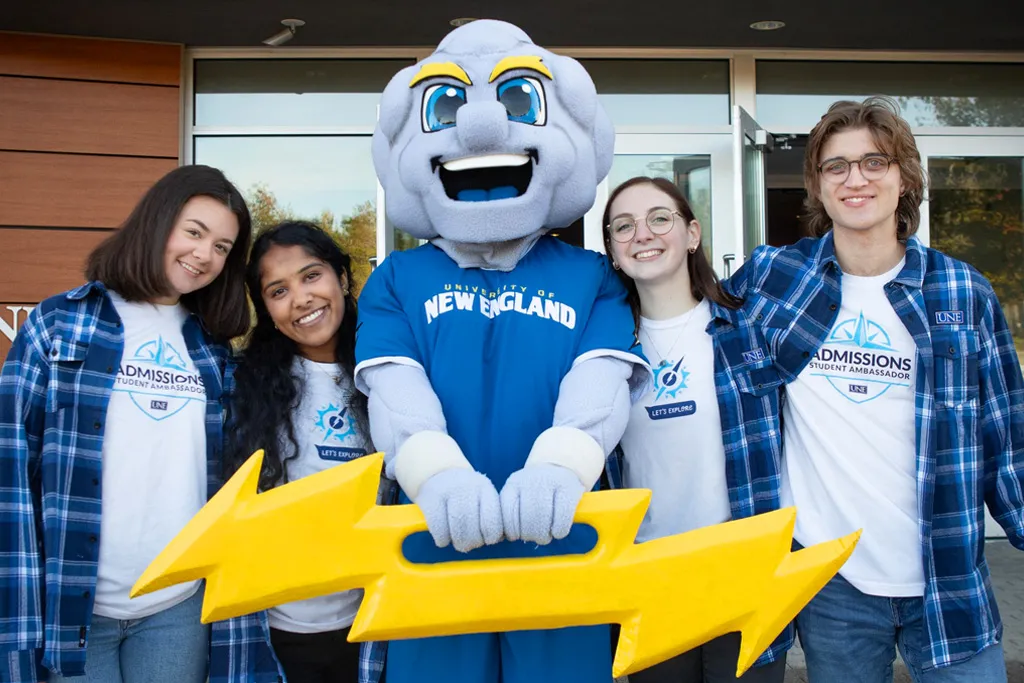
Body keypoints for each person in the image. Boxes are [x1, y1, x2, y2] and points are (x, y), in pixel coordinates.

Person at [358, 19, 649, 683]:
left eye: (520, 103)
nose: (484, 128)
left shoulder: (591, 275)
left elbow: (599, 384)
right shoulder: (397, 279)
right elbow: (395, 392)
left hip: (560, 546)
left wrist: (562, 465)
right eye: (445, 106)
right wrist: (435, 473)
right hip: (432, 547)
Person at [728, 96, 1024, 683]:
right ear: (817, 183)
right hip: (833, 584)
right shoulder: (774, 279)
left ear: (905, 177)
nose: (855, 179)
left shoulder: (963, 291)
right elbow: (687, 327)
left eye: (875, 162)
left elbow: (1007, 437)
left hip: (949, 576)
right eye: (836, 166)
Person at [0, 164, 252, 683]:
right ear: (157, 223)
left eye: (223, 247)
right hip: (75, 607)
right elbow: (11, 470)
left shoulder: (212, 351)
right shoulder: (58, 325)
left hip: (177, 605)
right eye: (194, 232)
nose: (205, 255)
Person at [601, 176, 789, 683]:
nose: (643, 233)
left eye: (660, 218)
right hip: (647, 582)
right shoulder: (604, 349)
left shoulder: (748, 327)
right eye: (624, 226)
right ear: (614, 254)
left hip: (743, 576)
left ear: (692, 234)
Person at [210, 221, 380, 683]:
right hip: (276, 629)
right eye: (278, 290)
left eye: (311, 276)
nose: (301, 299)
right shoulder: (241, 386)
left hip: (373, 625)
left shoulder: (386, 372)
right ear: (265, 308)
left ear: (341, 279)